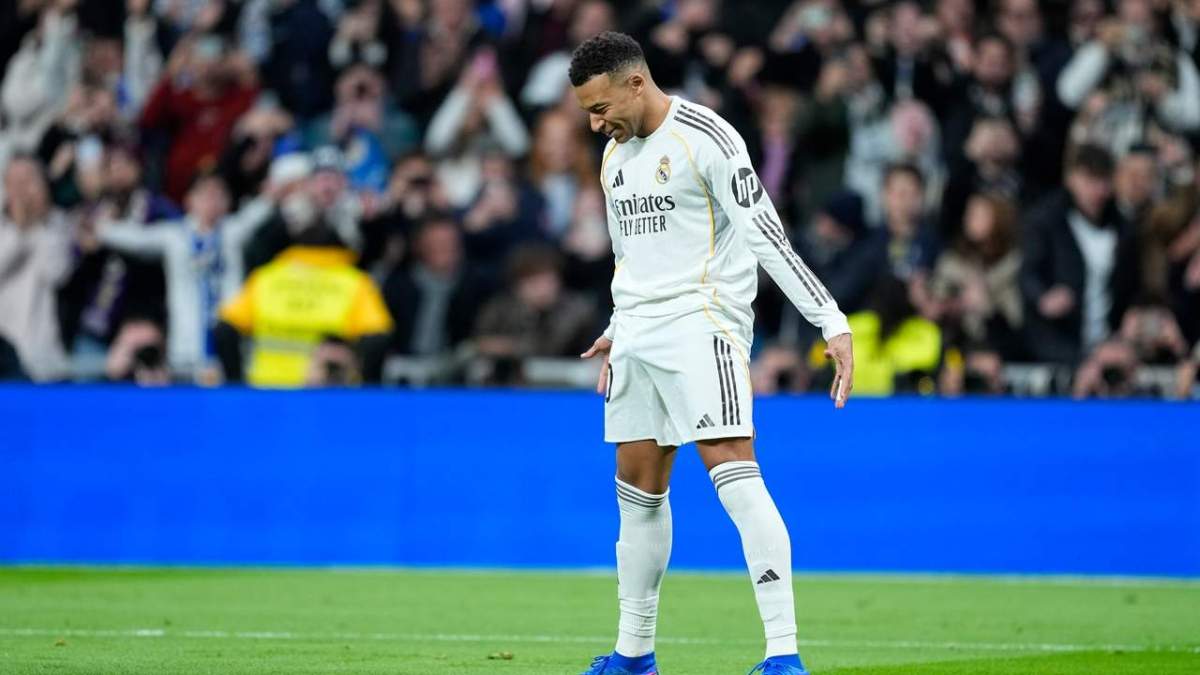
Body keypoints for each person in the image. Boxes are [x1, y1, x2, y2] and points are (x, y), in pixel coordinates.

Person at [568, 32, 854, 675]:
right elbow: (629, 257)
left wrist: (829, 321)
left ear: (636, 83)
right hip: (638, 335)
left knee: (733, 473)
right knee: (637, 489)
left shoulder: (709, 138)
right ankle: (633, 655)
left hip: (702, 325)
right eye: (587, 111)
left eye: (600, 107)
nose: (594, 124)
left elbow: (768, 236)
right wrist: (617, 325)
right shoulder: (615, 158)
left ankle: (783, 654)